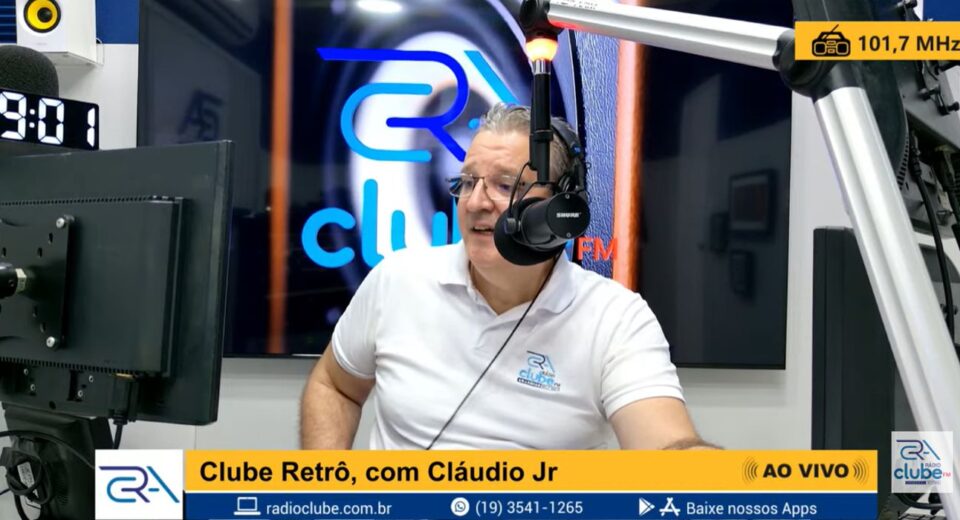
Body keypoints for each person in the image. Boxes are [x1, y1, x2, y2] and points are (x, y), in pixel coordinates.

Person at [300, 103, 717, 450]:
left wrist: (711, 477)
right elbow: (335, 385)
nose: (475, 203)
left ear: (560, 208)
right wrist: (328, 493)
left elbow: (665, 447)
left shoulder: (616, 318)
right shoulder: (397, 280)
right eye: (467, 182)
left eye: (505, 185)